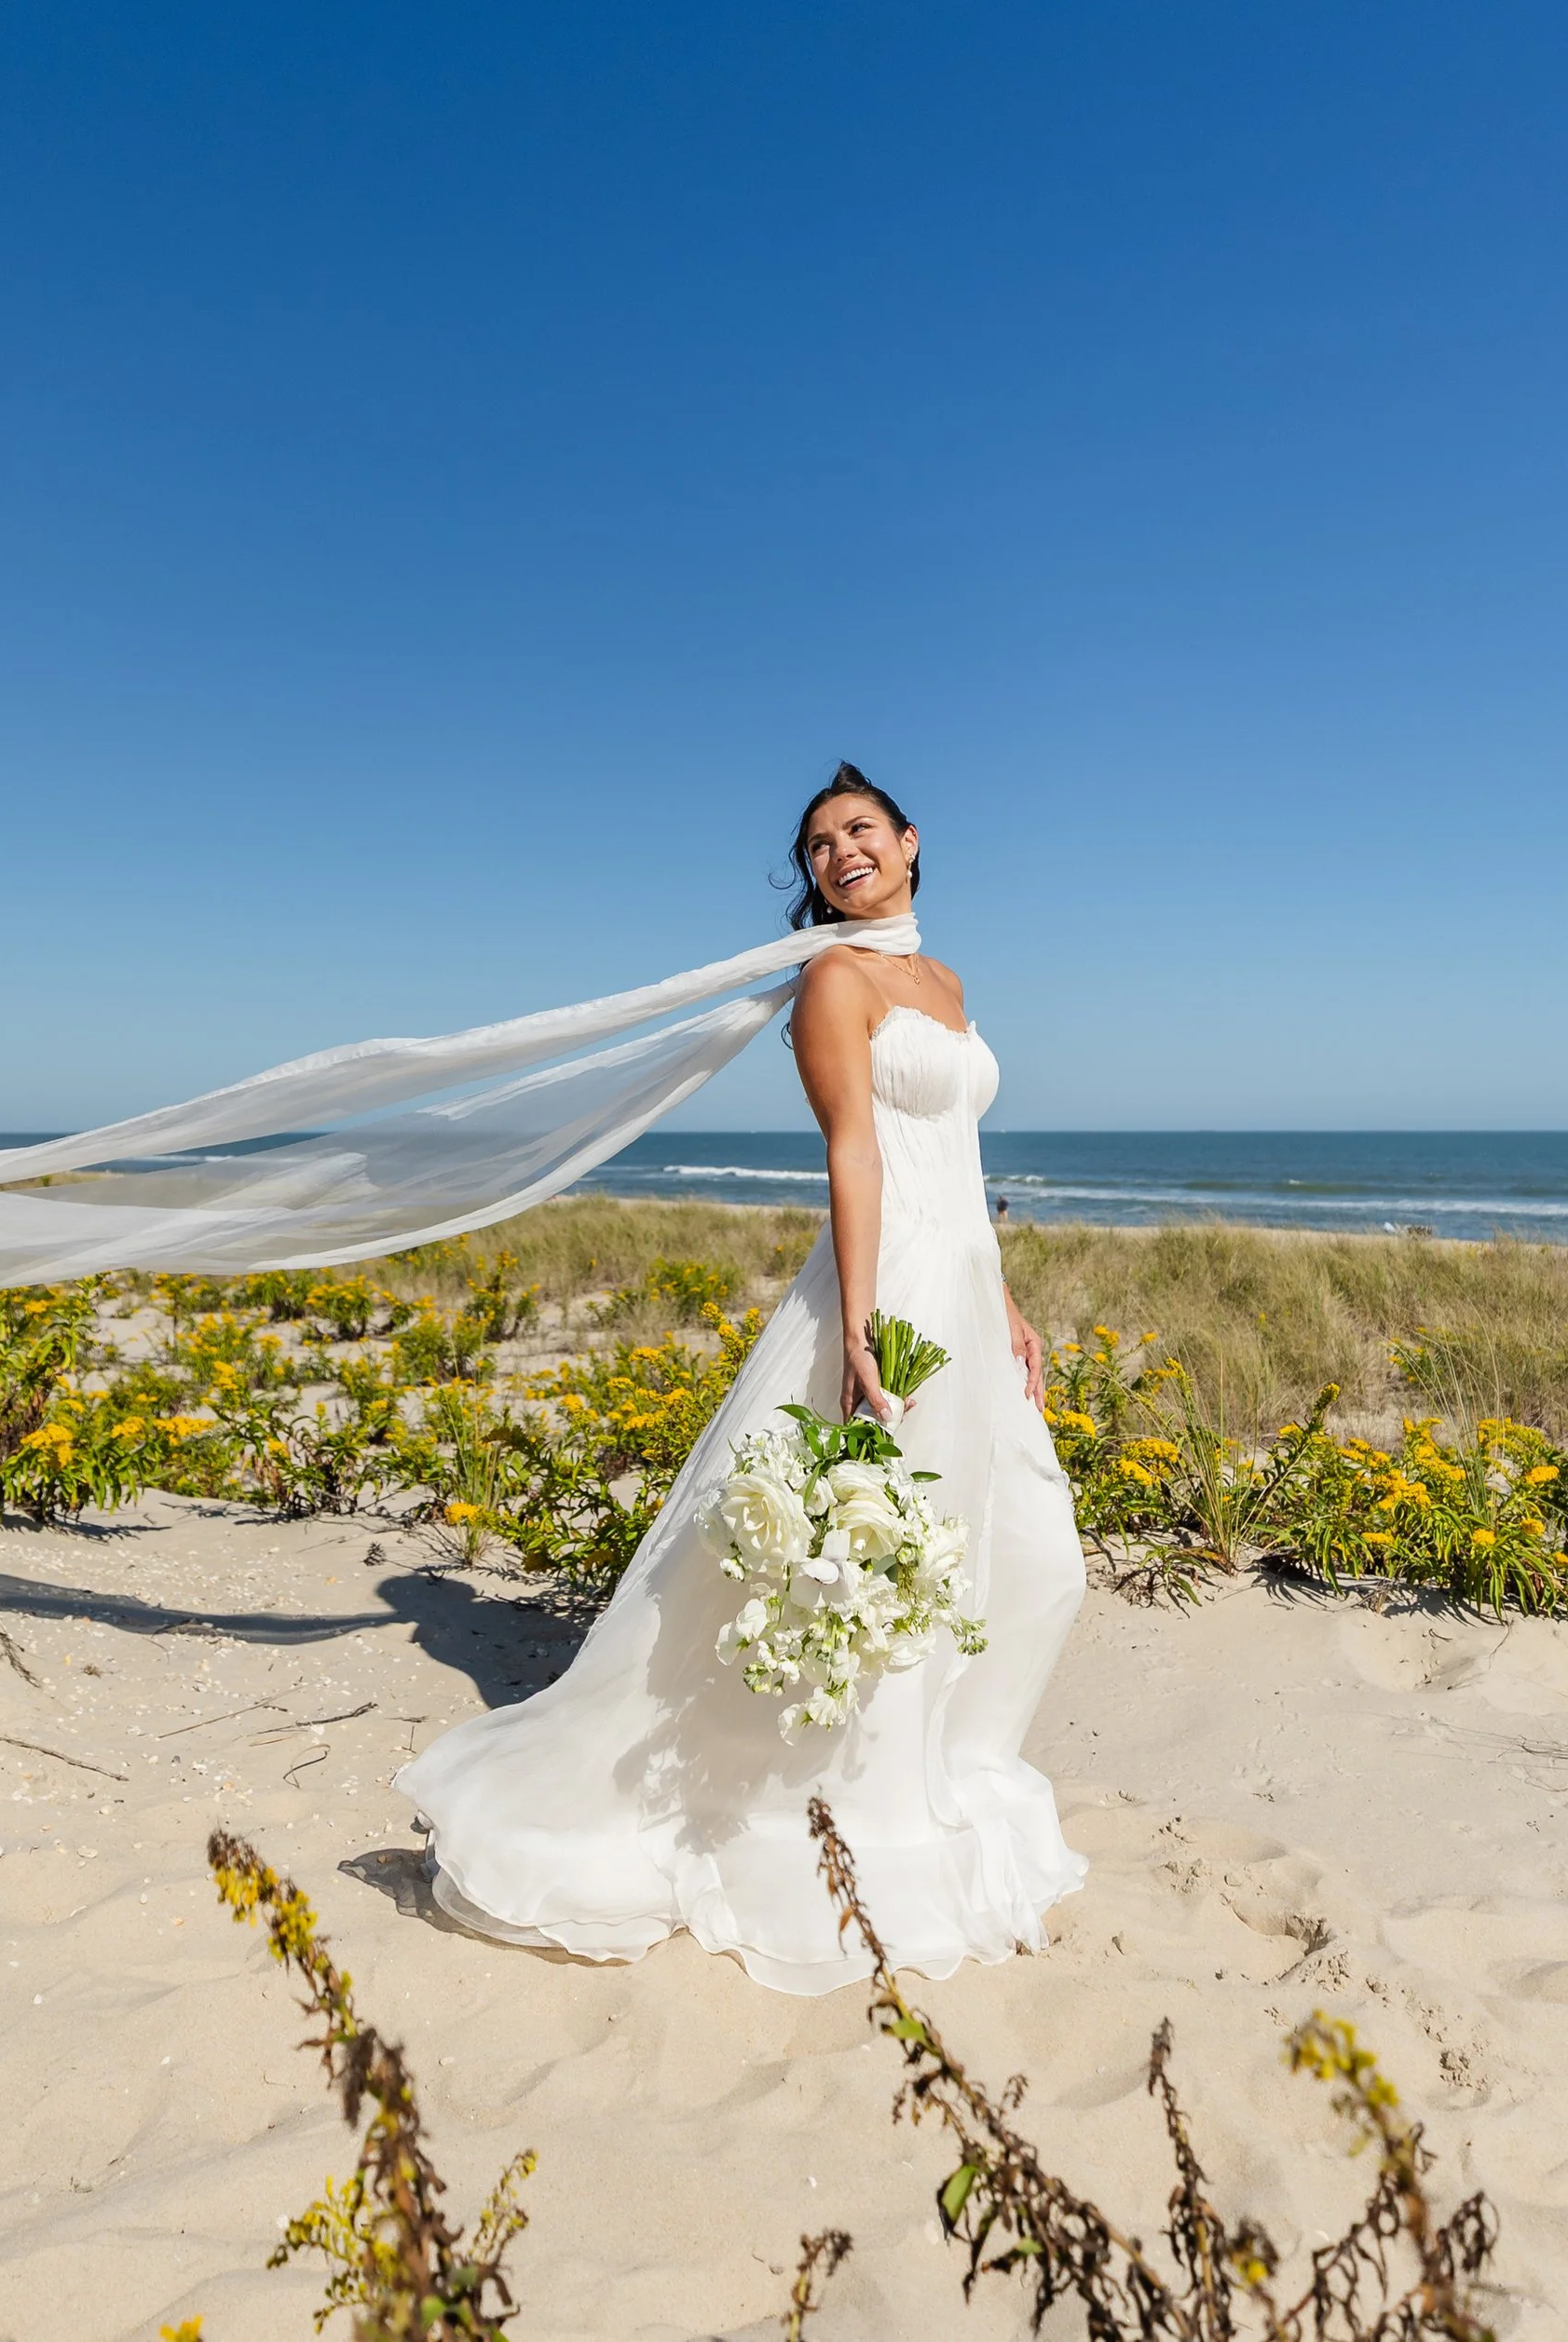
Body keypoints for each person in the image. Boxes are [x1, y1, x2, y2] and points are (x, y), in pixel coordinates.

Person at [398, 764, 1087, 1992]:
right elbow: (857, 1153)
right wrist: (867, 1319)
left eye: (858, 830)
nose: (839, 853)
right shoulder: (835, 979)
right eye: (819, 844)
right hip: (891, 1289)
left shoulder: (945, 981)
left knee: (1022, 1553)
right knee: (880, 1547)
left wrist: (1007, 1298)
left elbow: (954, 1151)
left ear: (912, 840)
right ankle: (856, 1819)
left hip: (967, 1290)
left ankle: (943, 1772)